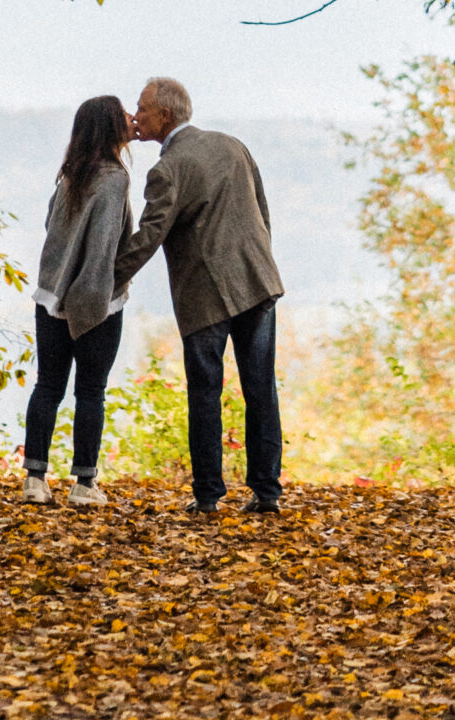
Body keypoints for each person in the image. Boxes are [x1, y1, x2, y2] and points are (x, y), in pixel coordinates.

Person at [114, 75, 284, 514]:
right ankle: (267, 492)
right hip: (257, 280)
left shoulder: (168, 169)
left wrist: (107, 280)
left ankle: (208, 496)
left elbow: (149, 237)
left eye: (142, 109)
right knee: (260, 388)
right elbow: (262, 210)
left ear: (164, 115)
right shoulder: (232, 145)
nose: (135, 116)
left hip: (205, 294)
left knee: (205, 393)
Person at [20, 93, 133, 507]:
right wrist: (99, 296)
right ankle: (84, 485)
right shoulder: (116, 178)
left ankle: (35, 478)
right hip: (98, 301)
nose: (130, 118)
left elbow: (52, 223)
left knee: (48, 386)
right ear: (109, 125)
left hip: (51, 296)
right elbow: (105, 244)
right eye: (123, 114)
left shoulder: (69, 175)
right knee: (91, 391)